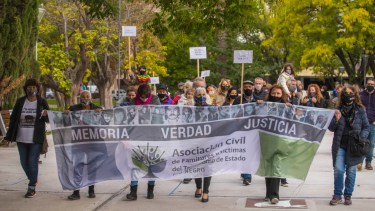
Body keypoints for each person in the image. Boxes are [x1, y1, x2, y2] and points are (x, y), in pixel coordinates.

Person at [4, 79, 49, 198]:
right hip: (21, 138)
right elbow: (13, 119)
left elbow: (49, 119)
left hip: (36, 139)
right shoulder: (20, 101)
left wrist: (46, 114)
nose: (31, 89)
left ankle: (31, 187)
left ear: (37, 89)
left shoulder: (42, 102)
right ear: (25, 89)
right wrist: (8, 136)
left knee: (32, 162)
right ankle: (33, 179)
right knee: (24, 162)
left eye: (34, 87)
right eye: (29, 87)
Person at [328, 86, 370, 206]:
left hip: (354, 146)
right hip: (340, 144)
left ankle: (348, 195)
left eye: (350, 93)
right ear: (342, 95)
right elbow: (331, 128)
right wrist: (336, 119)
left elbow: (366, 127)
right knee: (339, 170)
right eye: (345, 93)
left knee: (351, 172)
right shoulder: (337, 110)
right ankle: (337, 195)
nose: (348, 94)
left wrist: (361, 138)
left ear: (355, 95)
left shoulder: (360, 110)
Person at [126, 84, 160, 200]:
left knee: (151, 163)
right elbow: (128, 119)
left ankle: (150, 190)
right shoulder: (133, 101)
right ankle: (133, 191)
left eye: (146, 97)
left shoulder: (155, 99)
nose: (144, 99)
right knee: (135, 163)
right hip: (137, 135)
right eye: (142, 97)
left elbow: (159, 116)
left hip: (152, 135)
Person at [67, 90, 103, 200]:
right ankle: (76, 191)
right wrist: (66, 114)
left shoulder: (97, 108)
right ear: (80, 98)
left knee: (92, 166)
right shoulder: (73, 109)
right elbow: (65, 122)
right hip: (78, 141)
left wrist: (100, 113)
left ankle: (91, 190)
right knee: (77, 166)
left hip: (92, 142)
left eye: (88, 96)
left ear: (91, 98)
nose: (85, 98)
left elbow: (104, 122)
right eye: (83, 96)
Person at [263, 84, 290, 204]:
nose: (276, 96)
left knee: (276, 166)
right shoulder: (264, 106)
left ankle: (275, 195)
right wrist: (258, 104)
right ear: (270, 94)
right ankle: (268, 193)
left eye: (278, 94)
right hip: (267, 140)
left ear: (282, 95)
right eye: (273, 93)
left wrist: (290, 109)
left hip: (280, 141)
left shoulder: (287, 107)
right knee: (268, 166)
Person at [233, 80, 254, 185]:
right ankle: (246, 174)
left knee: (249, 153)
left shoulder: (257, 100)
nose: (248, 88)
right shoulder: (238, 100)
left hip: (253, 129)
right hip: (241, 129)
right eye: (245, 87)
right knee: (244, 152)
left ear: (252, 88)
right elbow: (233, 113)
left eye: (249, 87)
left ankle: (246, 174)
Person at [193, 87, 211, 202]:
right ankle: (198, 187)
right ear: (195, 96)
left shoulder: (211, 109)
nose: (201, 97)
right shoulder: (189, 109)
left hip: (209, 141)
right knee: (196, 166)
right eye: (199, 95)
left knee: (207, 167)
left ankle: (206, 191)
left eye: (203, 94)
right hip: (195, 142)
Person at [358, 78, 375, 171]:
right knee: (361, 142)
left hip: (372, 123)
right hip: (362, 123)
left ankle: (368, 162)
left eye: (372, 84)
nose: (370, 85)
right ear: (366, 84)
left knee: (371, 143)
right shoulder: (361, 95)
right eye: (369, 84)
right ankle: (359, 161)